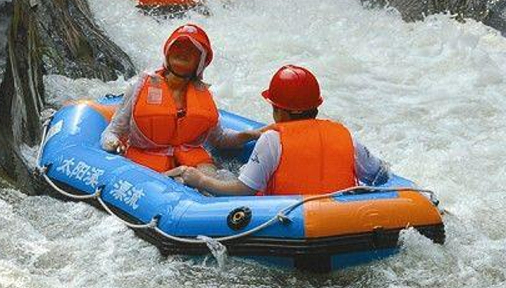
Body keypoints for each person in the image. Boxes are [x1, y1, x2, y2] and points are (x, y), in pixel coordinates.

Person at [166, 65, 389, 195]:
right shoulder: (345, 136)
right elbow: (380, 175)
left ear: (279, 111)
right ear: (316, 106)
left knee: (221, 177)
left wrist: (199, 180)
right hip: (344, 222)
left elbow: (242, 190)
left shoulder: (273, 140)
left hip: (285, 223)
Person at [100, 24, 259, 174]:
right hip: (147, 169)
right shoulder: (139, 87)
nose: (183, 51)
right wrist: (112, 144)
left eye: (191, 50)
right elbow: (113, 131)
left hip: (192, 167)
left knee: (221, 178)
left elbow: (219, 139)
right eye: (178, 46)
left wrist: (251, 135)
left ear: (200, 62)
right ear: (168, 53)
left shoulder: (203, 95)